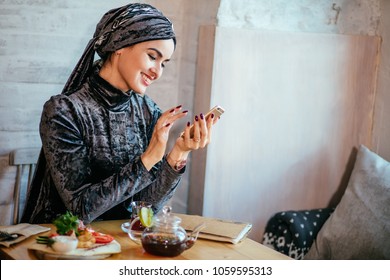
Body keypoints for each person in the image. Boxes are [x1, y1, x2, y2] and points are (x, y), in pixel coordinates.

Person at [21, 3, 217, 224]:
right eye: (153, 56)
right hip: (64, 248)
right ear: (119, 45)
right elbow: (80, 210)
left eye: (164, 64)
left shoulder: (149, 111)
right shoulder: (64, 112)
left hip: (121, 246)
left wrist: (179, 153)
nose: (157, 72)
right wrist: (148, 160)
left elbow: (145, 211)